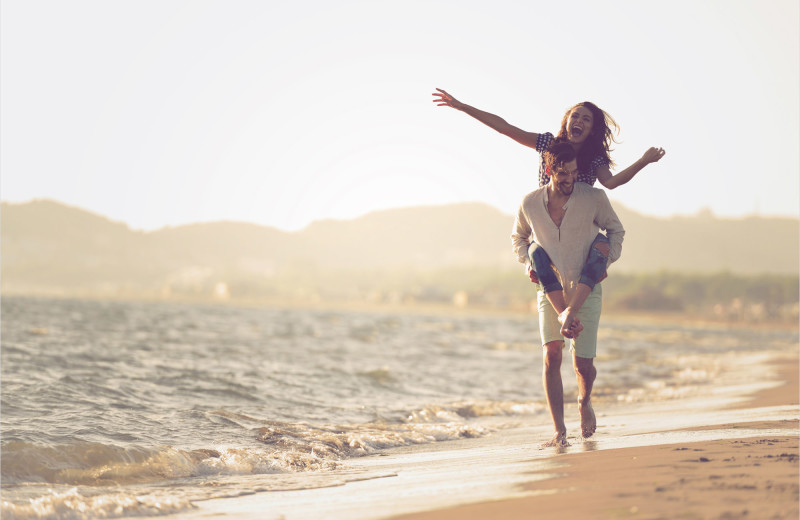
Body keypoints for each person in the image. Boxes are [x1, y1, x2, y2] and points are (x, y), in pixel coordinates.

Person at [432, 88, 663, 336]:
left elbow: (611, 182)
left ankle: (570, 313)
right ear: (567, 120)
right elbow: (506, 128)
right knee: (535, 255)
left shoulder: (594, 158)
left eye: (586, 119)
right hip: (547, 226)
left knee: (600, 249)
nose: (579, 122)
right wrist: (462, 106)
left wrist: (643, 161)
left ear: (592, 130)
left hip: (579, 232)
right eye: (575, 116)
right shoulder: (548, 144)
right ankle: (566, 315)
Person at [512, 141, 625, 447]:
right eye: (563, 174)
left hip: (586, 290)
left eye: (574, 173)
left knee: (582, 365)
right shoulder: (530, 203)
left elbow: (616, 230)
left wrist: (607, 258)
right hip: (550, 292)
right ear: (549, 170)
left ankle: (584, 401)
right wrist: (528, 264)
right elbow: (519, 238)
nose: (570, 180)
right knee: (551, 354)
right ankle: (559, 432)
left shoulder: (593, 198)